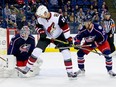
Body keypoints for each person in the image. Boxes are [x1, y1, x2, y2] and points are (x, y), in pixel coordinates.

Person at [16, 5, 76, 78]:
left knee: (66, 52)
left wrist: (69, 39)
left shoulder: (57, 17)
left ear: (45, 13)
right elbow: (37, 27)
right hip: (46, 37)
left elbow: (66, 28)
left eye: (41, 15)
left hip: (59, 36)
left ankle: (70, 72)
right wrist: (41, 32)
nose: (39, 17)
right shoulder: (40, 19)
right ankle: (27, 68)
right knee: (37, 50)